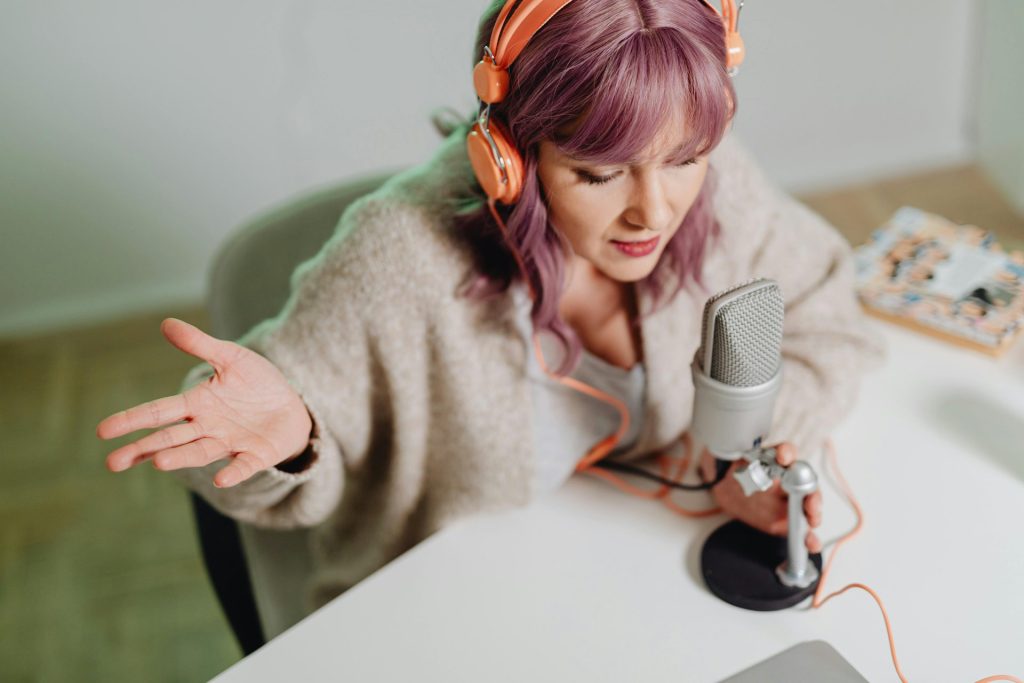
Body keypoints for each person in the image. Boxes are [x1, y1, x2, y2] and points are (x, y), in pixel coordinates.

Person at [96, 0, 883, 639]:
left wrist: (742, 460)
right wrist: (298, 437)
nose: (656, 209)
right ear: (507, 157)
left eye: (684, 158)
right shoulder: (396, 253)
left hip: (632, 596)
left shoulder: (710, 181)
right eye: (600, 173)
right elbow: (268, 460)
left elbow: (832, 317)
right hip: (448, 627)